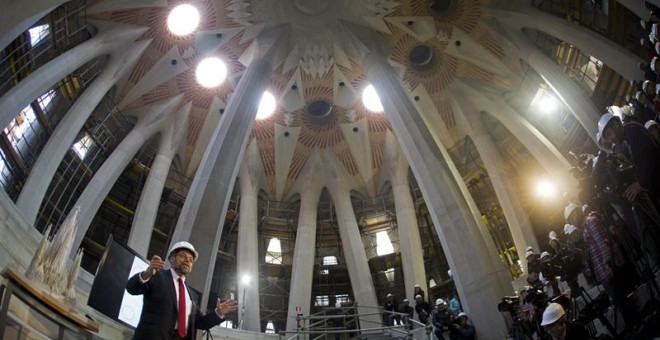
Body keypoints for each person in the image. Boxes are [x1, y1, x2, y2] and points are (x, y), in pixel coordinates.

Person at [126, 241, 238, 340]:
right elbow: (132, 289)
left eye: (190, 260)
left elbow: (200, 322)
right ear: (172, 259)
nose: (187, 261)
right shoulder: (157, 276)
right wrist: (147, 274)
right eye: (183, 256)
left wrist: (218, 313)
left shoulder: (192, 295)